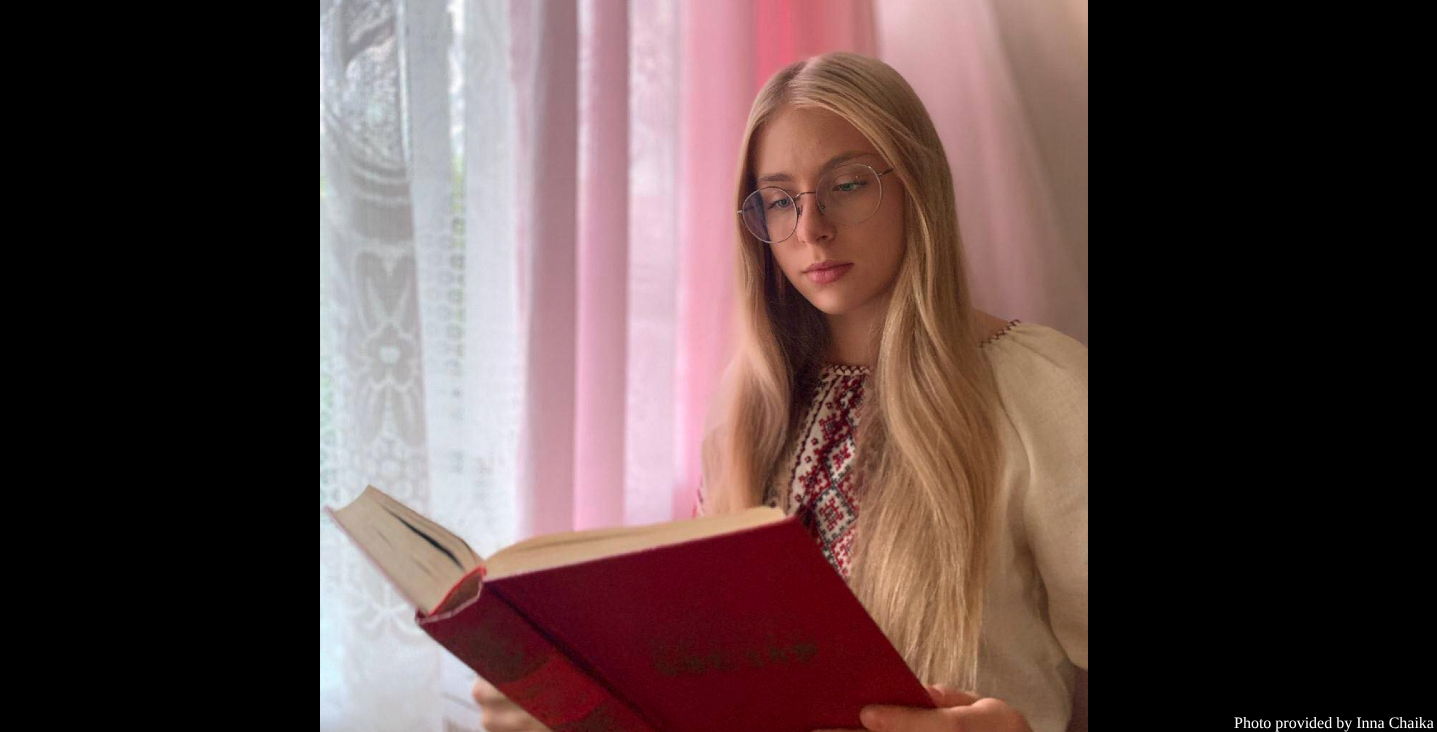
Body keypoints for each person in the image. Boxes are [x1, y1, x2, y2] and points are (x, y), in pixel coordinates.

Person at [475, 51, 1087, 732]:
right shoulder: (747, 409)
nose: (810, 228)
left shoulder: (1042, 389)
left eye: (847, 185)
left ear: (918, 183)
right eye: (777, 200)